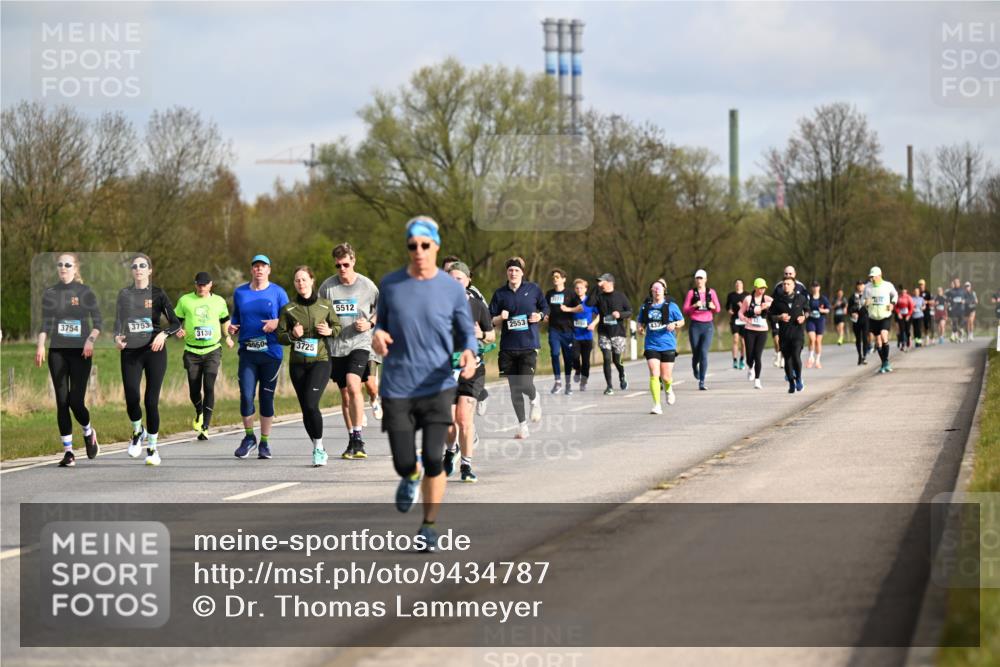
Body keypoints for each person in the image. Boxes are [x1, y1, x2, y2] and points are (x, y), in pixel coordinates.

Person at [372, 216, 477, 552]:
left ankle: (429, 525)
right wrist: (377, 337)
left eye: (424, 245)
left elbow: (465, 333)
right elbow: (381, 326)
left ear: (436, 246)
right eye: (412, 245)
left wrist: (470, 354)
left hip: (437, 384)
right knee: (404, 462)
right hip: (398, 386)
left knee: (435, 457)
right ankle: (410, 475)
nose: (418, 251)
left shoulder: (451, 289)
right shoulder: (390, 285)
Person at [114, 253, 181, 466]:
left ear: (150, 270)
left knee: (151, 401)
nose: (139, 269)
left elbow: (176, 323)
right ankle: (137, 431)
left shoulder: (159, 294)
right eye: (135, 266)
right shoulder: (124, 294)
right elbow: (118, 323)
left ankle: (152, 448)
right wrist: (117, 337)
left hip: (154, 350)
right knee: (132, 397)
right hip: (131, 351)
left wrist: (164, 334)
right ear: (132, 271)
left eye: (143, 266)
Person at [35, 253, 102, 467]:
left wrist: (90, 340)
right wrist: (40, 346)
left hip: (81, 353)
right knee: (62, 402)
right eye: (60, 264)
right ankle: (69, 453)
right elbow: (46, 324)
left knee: (75, 402)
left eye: (67, 264)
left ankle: (88, 432)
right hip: (58, 351)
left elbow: (98, 322)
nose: (63, 267)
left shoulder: (85, 292)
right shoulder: (51, 293)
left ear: (75, 268)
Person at [275, 266, 342, 467]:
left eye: (304, 279)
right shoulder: (288, 309)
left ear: (312, 280)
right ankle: (316, 446)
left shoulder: (325, 305)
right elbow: (280, 337)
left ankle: (319, 448)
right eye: (297, 280)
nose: (301, 284)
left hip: (320, 361)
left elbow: (338, 328)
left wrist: (329, 331)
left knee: (312, 404)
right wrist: (292, 335)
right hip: (298, 364)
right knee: (306, 409)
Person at [319, 243, 380, 459]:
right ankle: (352, 439)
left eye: (346, 264)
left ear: (353, 261)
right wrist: (324, 328)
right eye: (338, 265)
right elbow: (320, 313)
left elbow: (381, 309)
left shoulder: (367, 285)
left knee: (355, 385)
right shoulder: (328, 287)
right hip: (336, 347)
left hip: (360, 344)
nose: (342, 269)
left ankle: (359, 439)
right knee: (345, 396)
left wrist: (370, 324)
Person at [229, 254, 289, 460]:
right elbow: (236, 316)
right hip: (247, 352)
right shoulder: (240, 292)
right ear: (252, 270)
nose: (259, 270)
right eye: (256, 266)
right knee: (246, 395)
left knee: (266, 398)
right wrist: (232, 326)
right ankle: (249, 438)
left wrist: (276, 322)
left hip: (271, 353)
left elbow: (289, 319)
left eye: (263, 266)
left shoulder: (278, 292)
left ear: (269, 270)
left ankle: (264, 442)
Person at [444, 261, 495, 483]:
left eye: (459, 279)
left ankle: (466, 465)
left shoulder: (477, 306)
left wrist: (481, 334)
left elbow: (491, 335)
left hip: (471, 367)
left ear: (467, 281)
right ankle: (449, 451)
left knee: (464, 419)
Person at [489, 257, 548, 438]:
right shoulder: (500, 294)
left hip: (528, 344)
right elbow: (490, 320)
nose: (513, 273)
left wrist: (539, 316)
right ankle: (522, 426)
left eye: (516, 270)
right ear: (507, 273)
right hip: (508, 347)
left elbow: (545, 308)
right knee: (514, 389)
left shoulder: (533, 289)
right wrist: (501, 318)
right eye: (510, 270)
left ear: (522, 272)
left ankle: (534, 397)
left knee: (524, 383)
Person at [174, 272, 234, 441]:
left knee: (209, 385)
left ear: (210, 285)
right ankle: (199, 411)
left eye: (204, 284)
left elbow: (225, 321)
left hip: (212, 350)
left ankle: (205, 426)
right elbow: (175, 320)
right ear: (195, 285)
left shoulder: (219, 301)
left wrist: (228, 337)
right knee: (194, 389)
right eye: (199, 284)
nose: (202, 287)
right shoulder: (185, 300)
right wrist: (177, 330)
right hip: (192, 351)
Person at [636, 279, 684, 414]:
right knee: (654, 374)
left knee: (666, 377)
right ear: (651, 291)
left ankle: (669, 389)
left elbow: (682, 321)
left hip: (668, 344)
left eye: (660, 288)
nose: (657, 290)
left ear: (664, 291)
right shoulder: (646, 307)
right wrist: (640, 329)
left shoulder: (671, 306)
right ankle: (656, 404)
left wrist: (674, 324)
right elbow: (640, 322)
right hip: (651, 344)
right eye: (655, 288)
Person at [591, 273, 632, 395]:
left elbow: (629, 311)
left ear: (610, 283)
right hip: (604, 332)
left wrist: (620, 315)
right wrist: (596, 288)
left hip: (618, 333)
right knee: (607, 358)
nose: (600, 284)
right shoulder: (599, 297)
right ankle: (609, 386)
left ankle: (622, 374)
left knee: (616, 359)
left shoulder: (620, 296)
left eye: (602, 282)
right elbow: (589, 303)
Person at [545, 268, 582, 395]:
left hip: (567, 330)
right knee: (555, 353)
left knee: (568, 358)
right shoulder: (549, 294)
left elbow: (581, 307)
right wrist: (545, 315)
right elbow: (545, 308)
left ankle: (568, 384)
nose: (555, 279)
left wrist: (568, 310)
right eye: (553, 277)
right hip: (554, 329)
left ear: (563, 279)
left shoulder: (571, 294)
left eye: (557, 277)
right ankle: (557, 381)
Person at [682, 269, 721, 391]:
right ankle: (695, 366)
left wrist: (712, 307)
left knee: (704, 352)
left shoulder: (711, 292)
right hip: (695, 325)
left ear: (705, 280)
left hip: (707, 325)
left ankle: (702, 381)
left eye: (701, 278)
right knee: (696, 353)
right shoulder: (691, 293)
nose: (699, 280)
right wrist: (694, 306)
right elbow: (685, 310)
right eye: (697, 278)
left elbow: (718, 309)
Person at [770, 275, 809, 393]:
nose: (786, 286)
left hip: (797, 333)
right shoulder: (777, 300)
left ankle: (799, 379)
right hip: (784, 334)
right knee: (787, 359)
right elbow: (771, 316)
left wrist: (804, 317)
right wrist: (779, 317)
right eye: (784, 284)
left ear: (794, 286)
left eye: (788, 284)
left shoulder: (801, 298)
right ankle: (791, 382)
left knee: (796, 356)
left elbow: (807, 311)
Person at [738, 278, 773, 389]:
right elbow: (740, 312)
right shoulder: (748, 299)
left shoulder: (766, 298)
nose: (763, 290)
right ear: (756, 287)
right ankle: (750, 367)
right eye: (761, 287)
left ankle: (757, 380)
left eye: (764, 288)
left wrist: (767, 306)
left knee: (758, 356)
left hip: (762, 331)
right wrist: (745, 319)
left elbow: (776, 303)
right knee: (749, 355)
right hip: (749, 330)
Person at [863, 266, 899, 374]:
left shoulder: (887, 285)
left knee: (884, 337)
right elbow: (863, 300)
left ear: (879, 275)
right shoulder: (867, 287)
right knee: (878, 342)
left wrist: (892, 304)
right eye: (870, 277)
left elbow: (895, 295)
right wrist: (865, 303)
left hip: (885, 316)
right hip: (873, 317)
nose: (872, 279)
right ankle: (884, 363)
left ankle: (886, 361)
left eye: (873, 277)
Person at [771, 266, 807, 368]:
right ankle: (780, 355)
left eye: (790, 274)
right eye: (786, 274)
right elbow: (773, 302)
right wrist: (777, 316)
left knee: (795, 351)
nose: (788, 275)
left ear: (795, 274)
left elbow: (806, 304)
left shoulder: (801, 287)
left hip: (795, 325)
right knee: (777, 339)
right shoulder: (778, 286)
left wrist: (803, 316)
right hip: (781, 319)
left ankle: (786, 362)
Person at [571, 278, 598, 392]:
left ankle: (584, 382)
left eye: (581, 288)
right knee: (574, 357)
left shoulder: (590, 301)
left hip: (587, 335)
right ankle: (577, 369)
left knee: (586, 361)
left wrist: (593, 324)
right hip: (575, 335)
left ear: (586, 289)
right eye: (577, 288)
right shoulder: (571, 301)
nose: (579, 290)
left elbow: (599, 315)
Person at [805, 282, 831, 369]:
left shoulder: (823, 298)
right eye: (813, 286)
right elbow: (804, 308)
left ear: (819, 288)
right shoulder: (809, 298)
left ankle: (817, 361)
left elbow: (828, 309)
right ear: (812, 288)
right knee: (812, 339)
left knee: (818, 341)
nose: (815, 288)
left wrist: (822, 310)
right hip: (811, 321)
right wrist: (806, 313)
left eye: (817, 286)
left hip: (820, 321)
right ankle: (810, 357)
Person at [725, 279, 747, 369]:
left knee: (743, 342)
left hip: (744, 320)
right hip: (735, 319)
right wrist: (729, 310)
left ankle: (742, 360)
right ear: (735, 285)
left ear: (742, 285)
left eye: (740, 283)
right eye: (736, 284)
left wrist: (742, 306)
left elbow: (750, 308)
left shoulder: (747, 295)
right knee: (735, 339)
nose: (738, 285)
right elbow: (727, 306)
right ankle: (734, 360)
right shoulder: (731, 295)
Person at [847, 280, 871, 364]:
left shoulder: (868, 296)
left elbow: (871, 308)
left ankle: (864, 356)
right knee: (858, 339)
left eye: (862, 285)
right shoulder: (852, 297)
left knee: (865, 338)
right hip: (856, 320)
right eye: (859, 285)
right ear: (856, 286)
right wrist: (852, 313)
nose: (860, 287)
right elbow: (848, 309)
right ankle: (859, 356)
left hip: (865, 318)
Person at [945, 277, 967, 342]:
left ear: (959, 283)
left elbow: (967, 298)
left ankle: (961, 337)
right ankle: (955, 336)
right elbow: (946, 298)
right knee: (954, 323)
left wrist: (964, 300)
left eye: (957, 282)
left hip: (961, 310)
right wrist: (949, 301)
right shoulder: (951, 291)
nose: (956, 283)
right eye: (955, 282)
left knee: (961, 325)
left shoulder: (963, 291)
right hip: (954, 310)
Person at [894, 287, 914, 352]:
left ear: (906, 292)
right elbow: (896, 307)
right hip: (901, 316)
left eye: (905, 292)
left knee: (907, 330)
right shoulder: (899, 298)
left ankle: (908, 342)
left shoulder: (909, 298)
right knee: (902, 330)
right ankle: (903, 344)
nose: (903, 293)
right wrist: (898, 313)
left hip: (908, 316)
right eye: (902, 292)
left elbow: (911, 307)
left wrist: (908, 315)